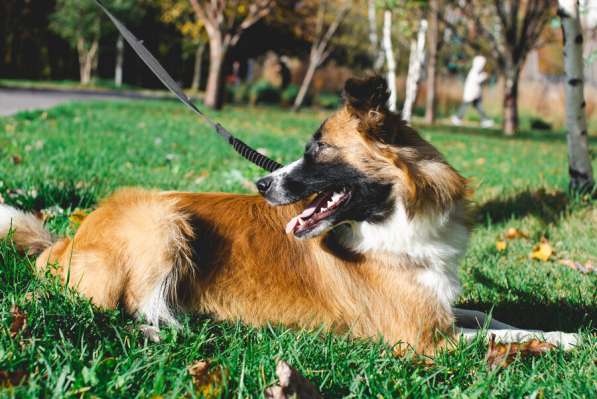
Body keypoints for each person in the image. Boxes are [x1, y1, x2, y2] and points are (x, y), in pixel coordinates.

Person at [451, 55, 494, 127]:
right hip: (471, 94)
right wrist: (484, 76)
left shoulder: (477, 71)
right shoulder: (474, 71)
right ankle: (457, 118)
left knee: (478, 107)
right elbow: (476, 80)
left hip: (475, 94)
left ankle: (485, 120)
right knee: (466, 106)